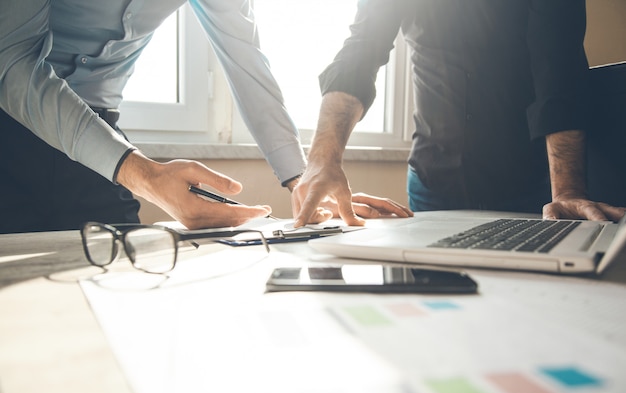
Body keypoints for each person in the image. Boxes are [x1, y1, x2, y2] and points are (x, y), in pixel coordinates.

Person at [0, 0, 411, 234]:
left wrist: (301, 176)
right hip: (10, 121)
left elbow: (247, 62)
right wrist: (146, 175)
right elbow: (11, 60)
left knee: (124, 271)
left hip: (100, 138)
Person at [291, 0, 626, 228]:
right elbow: (359, 53)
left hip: (529, 182)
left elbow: (559, 69)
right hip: (433, 179)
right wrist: (323, 158)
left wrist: (567, 191)